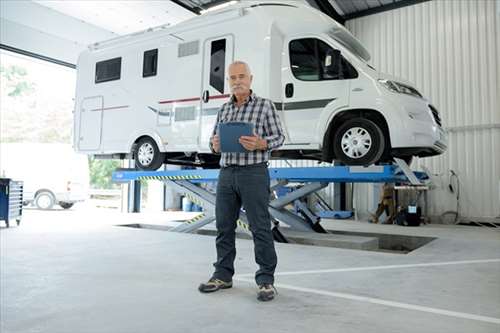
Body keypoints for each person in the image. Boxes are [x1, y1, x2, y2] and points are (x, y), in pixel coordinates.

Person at [198, 61, 285, 302]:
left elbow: (280, 137)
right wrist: (214, 145)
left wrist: (262, 143)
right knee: (224, 226)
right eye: (233, 77)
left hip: (254, 173)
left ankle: (266, 280)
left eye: (241, 76)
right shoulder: (224, 110)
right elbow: (213, 141)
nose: (237, 81)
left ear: (251, 79)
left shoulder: (265, 106)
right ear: (228, 81)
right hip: (227, 174)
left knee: (260, 227)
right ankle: (222, 275)